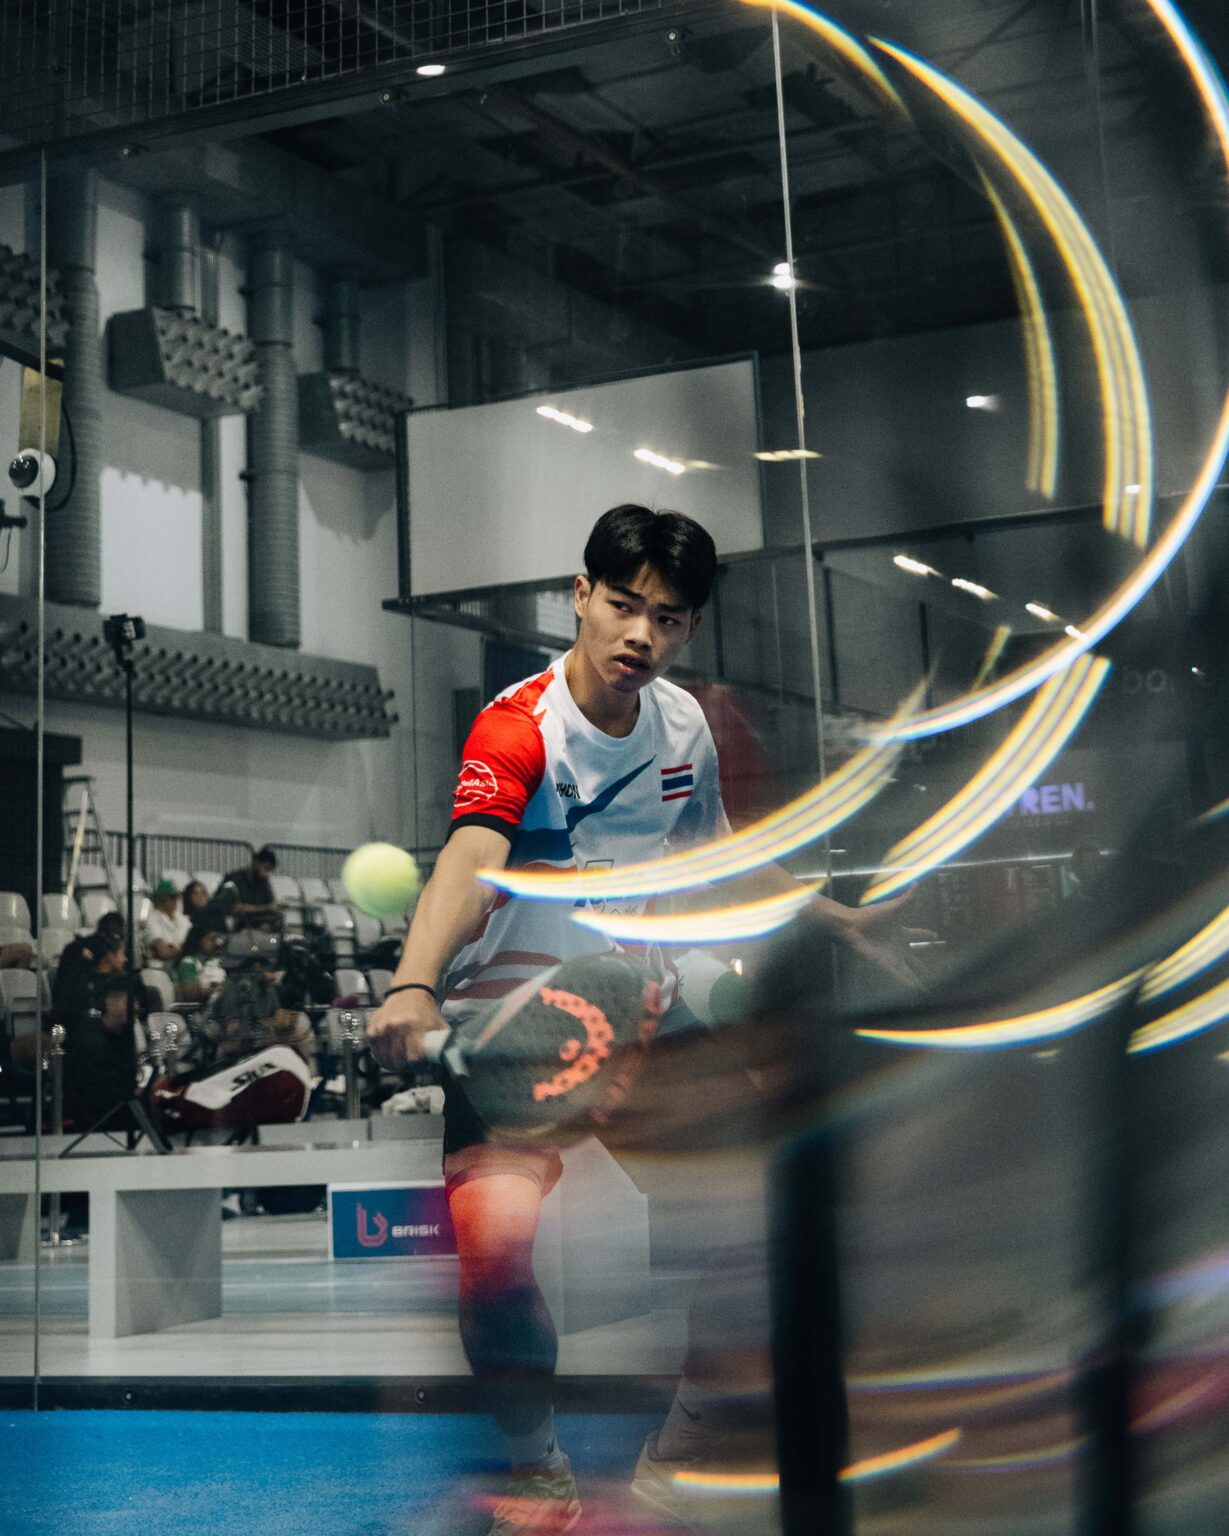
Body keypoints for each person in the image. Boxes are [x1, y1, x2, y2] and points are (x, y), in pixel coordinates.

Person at [367, 505, 918, 1533]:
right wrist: (413, 983)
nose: (640, 635)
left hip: (635, 1010)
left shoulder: (683, 726)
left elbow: (711, 857)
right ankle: (535, 1467)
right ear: (579, 597)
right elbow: (472, 857)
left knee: (759, 1212)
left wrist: (825, 912)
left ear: (689, 628)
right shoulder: (518, 727)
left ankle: (685, 1441)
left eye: (666, 619)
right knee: (493, 1250)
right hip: (512, 1022)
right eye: (623, 606)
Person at [216, 846, 283, 931]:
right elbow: (232, 907)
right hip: (236, 926)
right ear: (255, 862)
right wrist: (266, 908)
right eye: (266, 868)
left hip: (257, 926)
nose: (267, 874)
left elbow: (270, 904)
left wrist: (275, 908)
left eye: (270, 870)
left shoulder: (263, 882)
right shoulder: (234, 879)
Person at [143, 880, 191, 969]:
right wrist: (183, 946)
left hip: (182, 965)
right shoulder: (152, 919)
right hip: (160, 968)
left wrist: (174, 947)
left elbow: (193, 944)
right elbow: (164, 952)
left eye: (176, 897)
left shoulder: (182, 919)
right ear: (161, 899)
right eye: (172, 897)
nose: (175, 900)